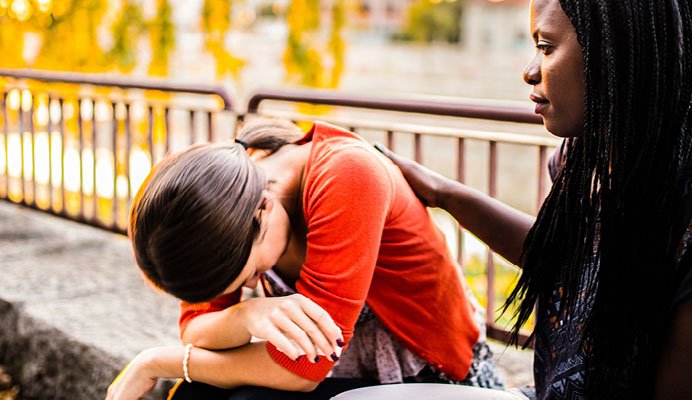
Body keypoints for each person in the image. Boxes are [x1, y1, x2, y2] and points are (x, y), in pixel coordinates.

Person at [375, 0, 692, 398]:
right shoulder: (588, 156)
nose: (530, 72)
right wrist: (441, 192)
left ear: (618, 52)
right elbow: (558, 254)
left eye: (546, 46)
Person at [105, 118, 504, 400]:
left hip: (426, 376)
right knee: (197, 394)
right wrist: (247, 315)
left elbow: (302, 370)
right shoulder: (218, 200)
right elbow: (195, 327)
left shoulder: (347, 174)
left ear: (264, 206)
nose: (250, 287)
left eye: (253, 274)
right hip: (336, 373)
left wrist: (155, 362)